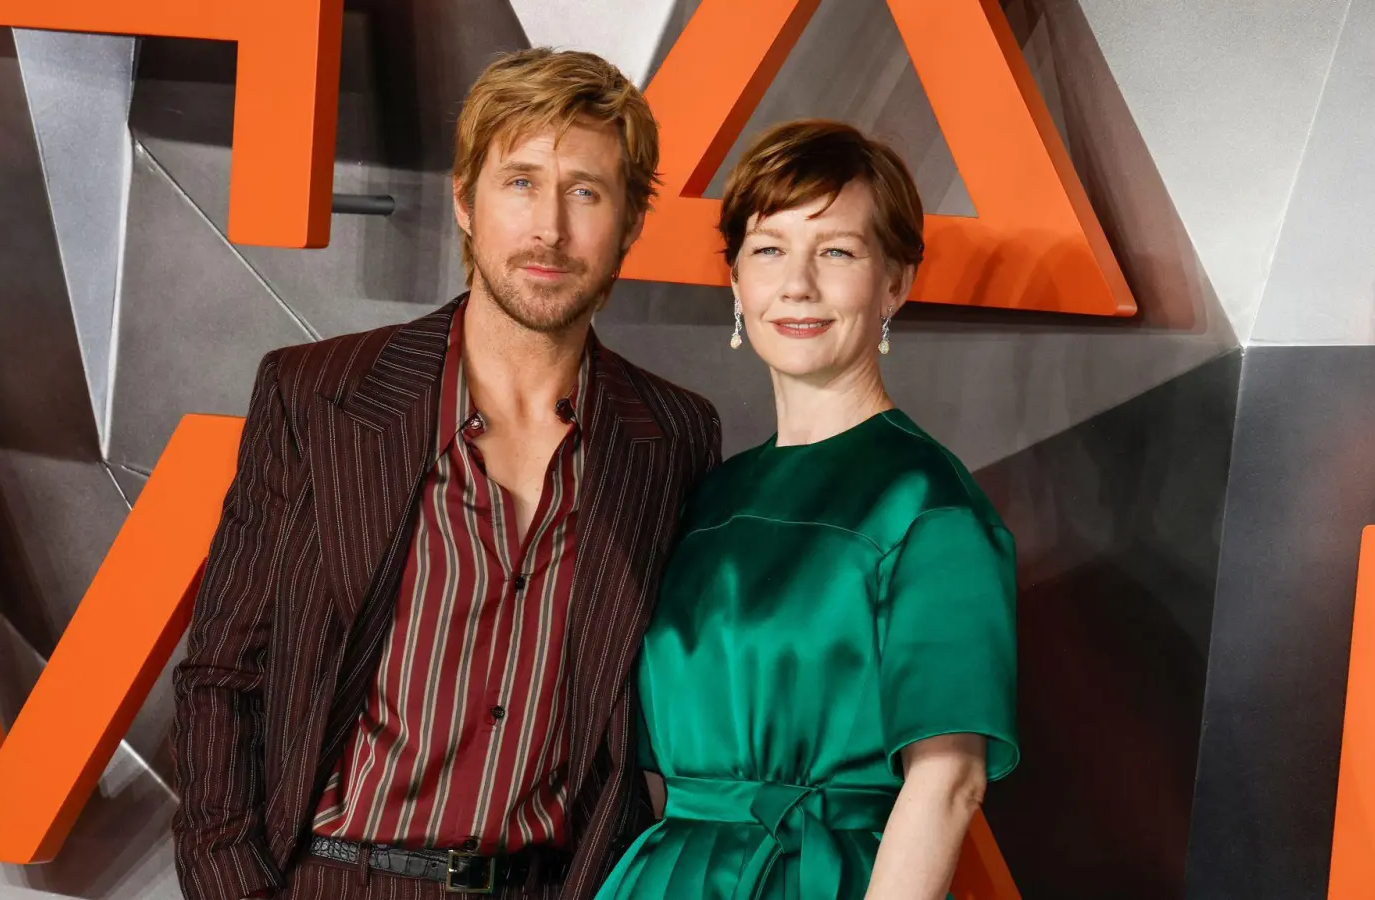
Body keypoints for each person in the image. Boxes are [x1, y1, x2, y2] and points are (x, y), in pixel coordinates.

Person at [171, 48, 720, 900]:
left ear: (631, 223)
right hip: (337, 879)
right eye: (521, 183)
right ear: (465, 202)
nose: (550, 228)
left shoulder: (673, 437)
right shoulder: (318, 396)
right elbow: (223, 674)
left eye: (586, 191)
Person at [595, 120, 1020, 900]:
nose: (798, 284)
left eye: (837, 251)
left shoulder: (931, 506)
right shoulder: (709, 494)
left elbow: (949, 784)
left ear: (894, 283)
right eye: (769, 249)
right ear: (736, 284)